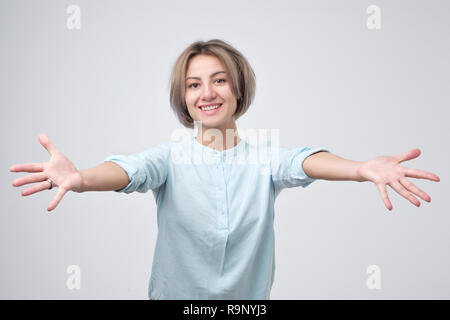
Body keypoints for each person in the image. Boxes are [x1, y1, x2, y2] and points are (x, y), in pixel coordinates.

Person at [9, 39, 440, 300]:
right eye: (194, 84)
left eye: (219, 80)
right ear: (184, 98)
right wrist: (81, 179)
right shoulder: (170, 158)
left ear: (237, 88)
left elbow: (304, 160)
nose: (207, 93)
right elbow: (129, 170)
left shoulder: (265, 159)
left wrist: (362, 168)